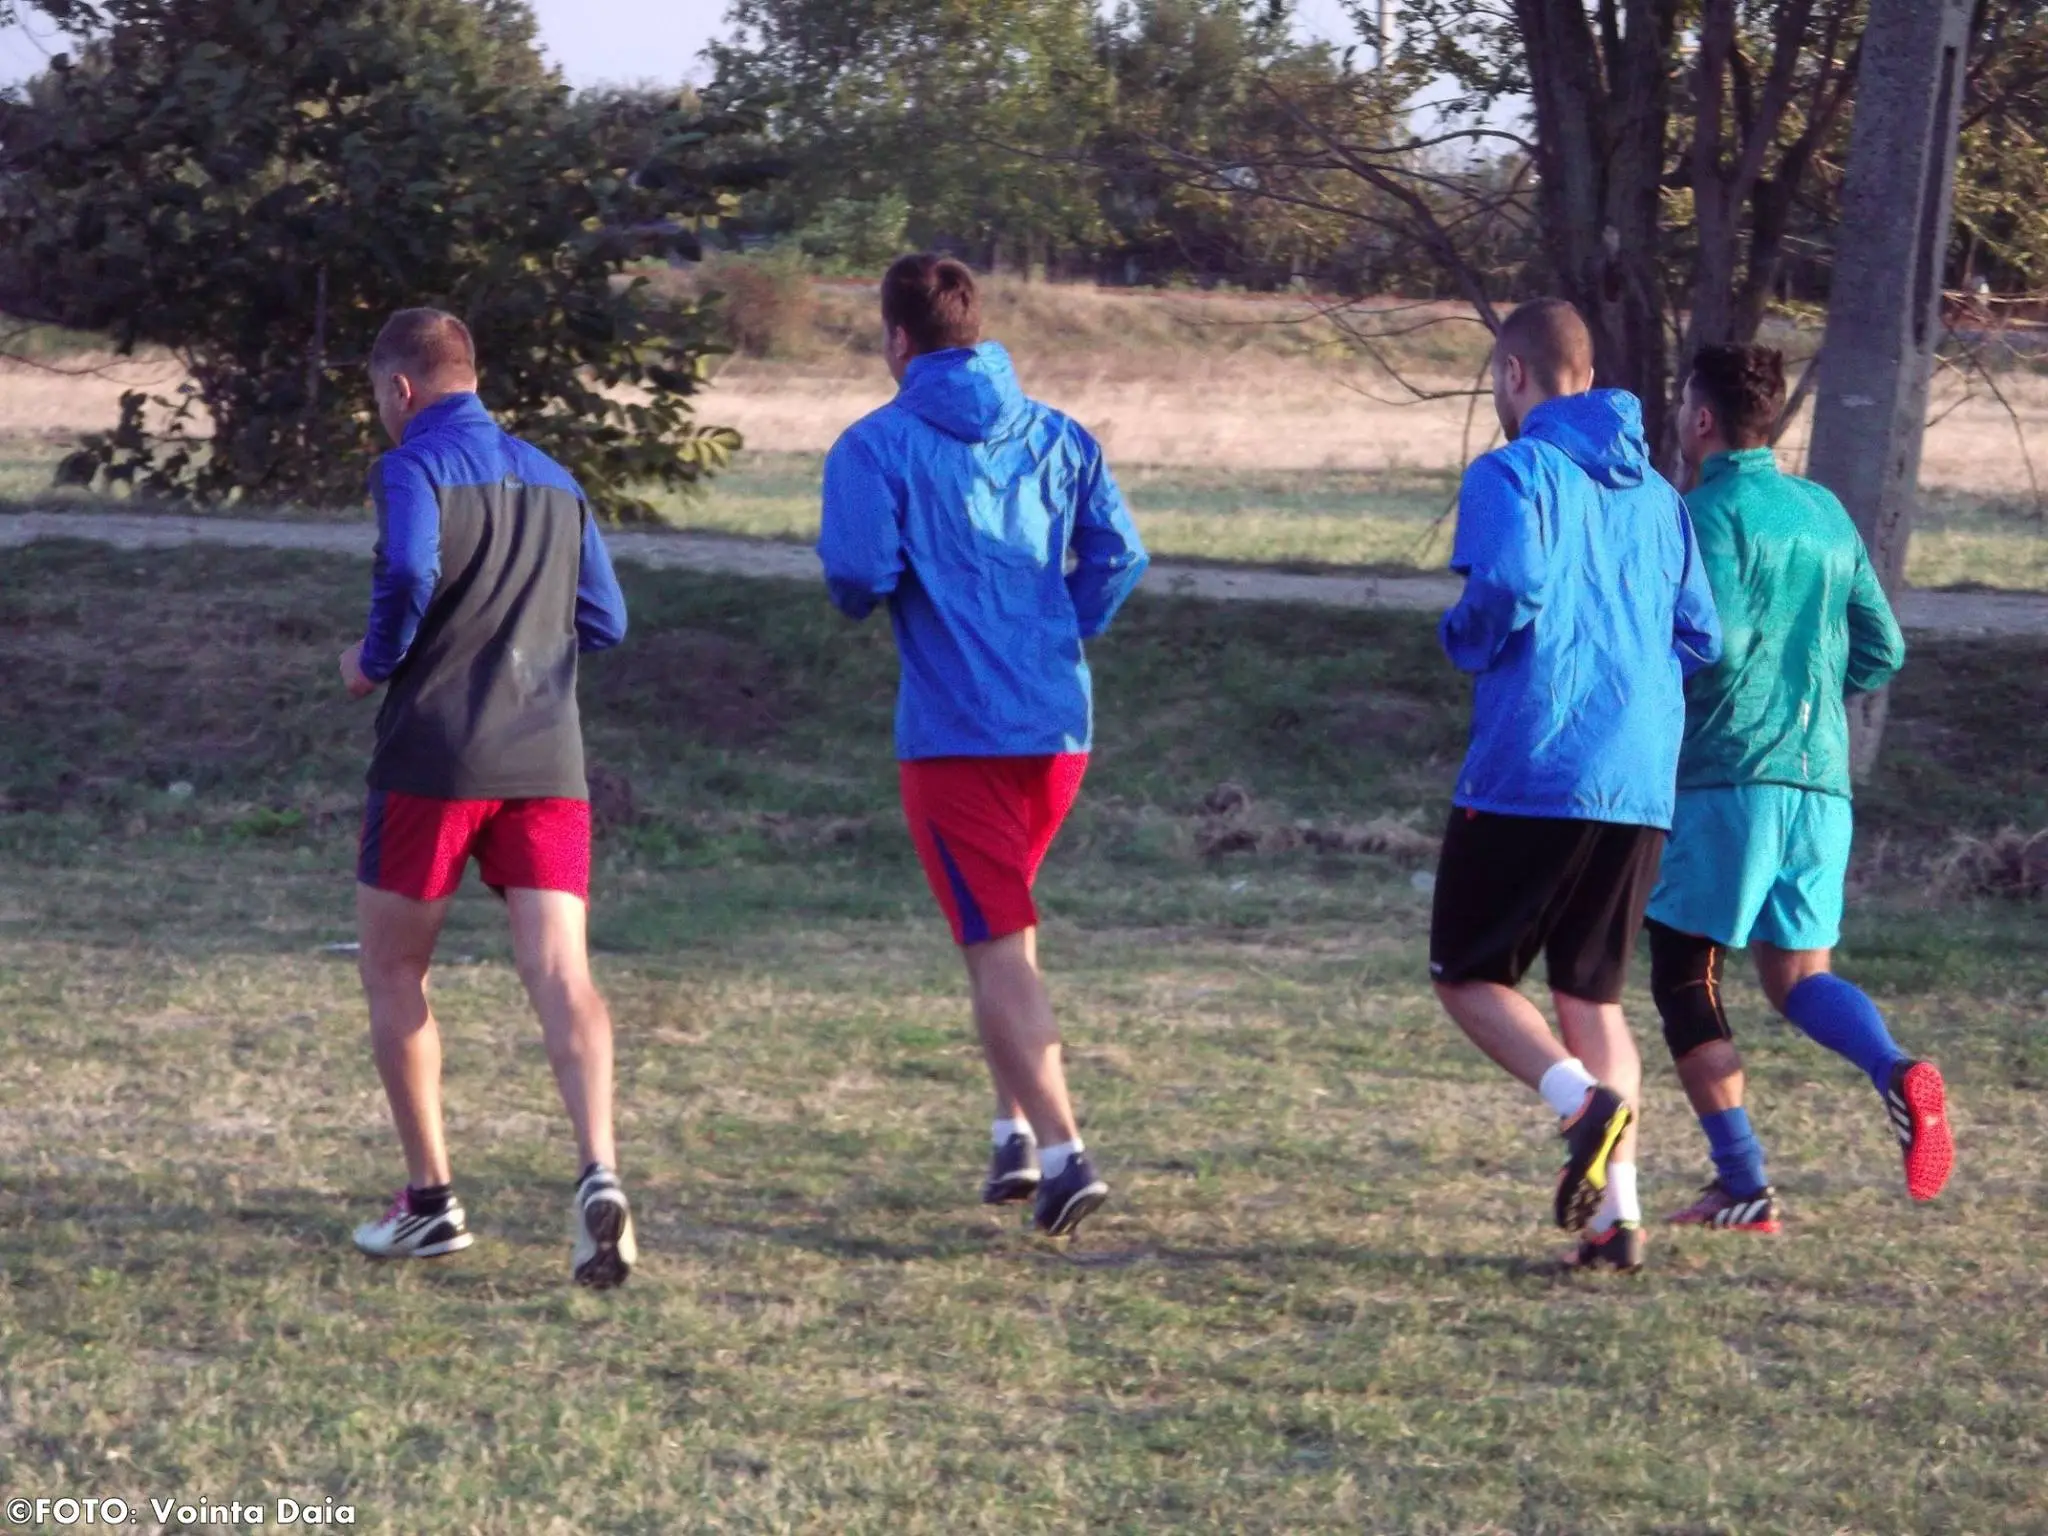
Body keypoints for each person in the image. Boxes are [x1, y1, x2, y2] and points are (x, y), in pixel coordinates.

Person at [817, 254, 1148, 1238]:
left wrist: (878, 587)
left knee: (996, 941)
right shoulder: (1060, 433)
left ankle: (1065, 1152)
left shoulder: (874, 446)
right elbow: (1120, 554)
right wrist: (1057, 631)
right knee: (1001, 927)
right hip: (1057, 730)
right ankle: (1012, 1134)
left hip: (954, 735)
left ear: (896, 338)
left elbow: (857, 574)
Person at [340, 307, 638, 1288]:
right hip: (548, 760)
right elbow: (605, 619)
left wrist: (374, 659)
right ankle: (598, 1169)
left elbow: (408, 567)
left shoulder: (409, 468)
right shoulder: (556, 479)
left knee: (394, 970)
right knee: (561, 973)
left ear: (402, 389)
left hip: (434, 760)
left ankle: (430, 1204)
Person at [1430, 298, 1723, 1273]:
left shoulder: (1510, 471)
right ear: (1589, 379)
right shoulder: (1660, 497)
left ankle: (1579, 1104)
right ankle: (1615, 1225)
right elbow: (1702, 635)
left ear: (1513, 375)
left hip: (1536, 766)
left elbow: (1508, 587)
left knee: (1466, 975)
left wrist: (1466, 637)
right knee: (1591, 997)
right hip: (1639, 782)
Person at [1647, 343, 1951, 1233]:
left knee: (1684, 976)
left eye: (1683, 408)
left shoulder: (1701, 514)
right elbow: (1883, 648)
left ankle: (1743, 1183)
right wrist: (1810, 702)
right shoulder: (1823, 509)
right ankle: (1897, 1070)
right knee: (1797, 977)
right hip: (1821, 784)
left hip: (1728, 779)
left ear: (1703, 419)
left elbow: (1718, 643)